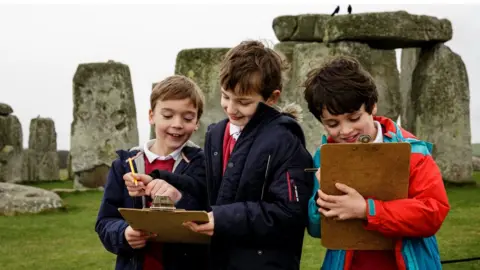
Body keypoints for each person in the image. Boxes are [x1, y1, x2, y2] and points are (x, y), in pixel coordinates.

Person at [162, 40, 313, 270]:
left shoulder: (285, 141)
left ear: (272, 98)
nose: (231, 108)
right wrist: (171, 186)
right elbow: (213, 194)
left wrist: (221, 220)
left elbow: (289, 213)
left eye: (243, 102)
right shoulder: (216, 133)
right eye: (225, 96)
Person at [303, 55, 450, 270]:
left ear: (372, 107)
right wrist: (320, 200)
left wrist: (366, 210)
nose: (345, 131)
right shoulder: (325, 156)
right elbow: (316, 229)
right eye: (332, 123)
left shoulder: (413, 151)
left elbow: (433, 212)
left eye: (354, 118)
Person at [95, 75, 209, 270]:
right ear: (151, 116)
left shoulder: (204, 164)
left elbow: (212, 213)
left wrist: (179, 198)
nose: (177, 124)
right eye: (167, 115)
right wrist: (124, 233)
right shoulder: (124, 165)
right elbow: (105, 221)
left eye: (188, 117)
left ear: (197, 121)